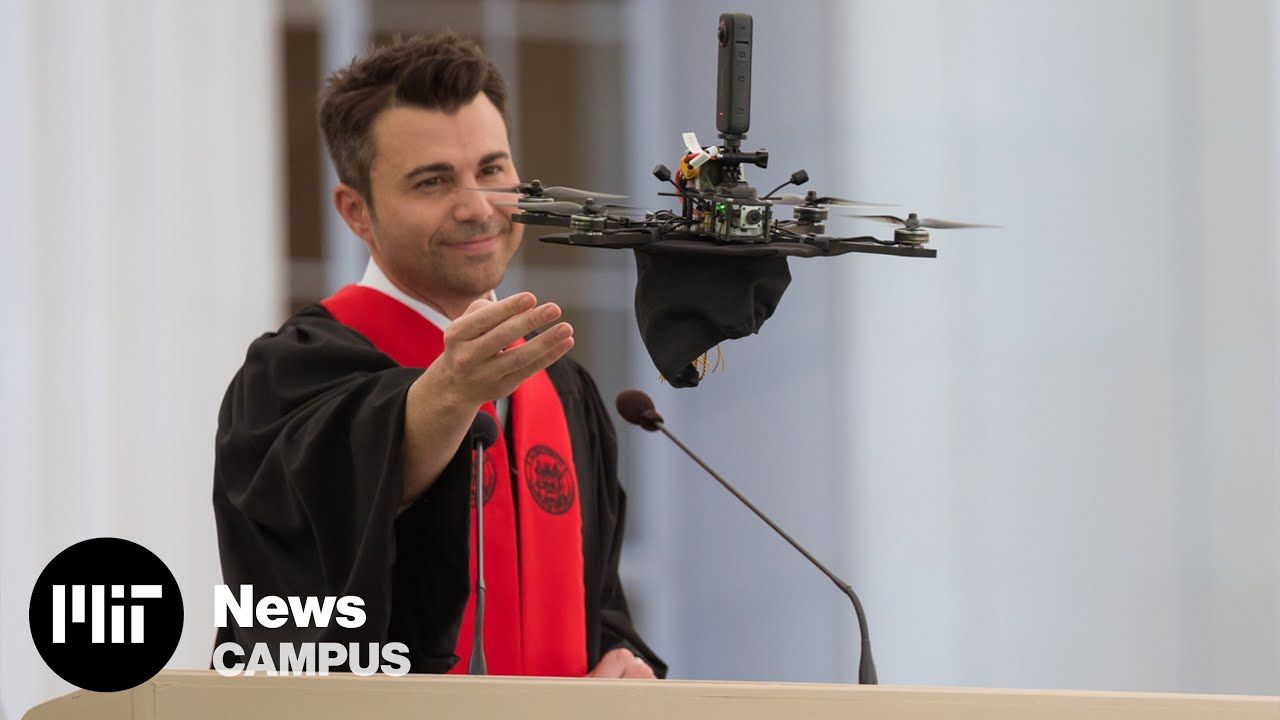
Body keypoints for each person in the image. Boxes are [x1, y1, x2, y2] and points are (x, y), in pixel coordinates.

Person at [212, 33, 663, 679]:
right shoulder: (289, 377)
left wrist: (624, 659)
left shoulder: (562, 390)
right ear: (356, 212)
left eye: (491, 170)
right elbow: (301, 576)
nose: (477, 207)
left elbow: (601, 608)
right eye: (432, 181)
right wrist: (443, 397)